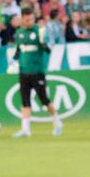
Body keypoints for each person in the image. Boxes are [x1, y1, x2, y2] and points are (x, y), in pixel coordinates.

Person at [10, 8, 62, 138]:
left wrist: (43, 43)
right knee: (25, 101)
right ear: (22, 19)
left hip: (37, 72)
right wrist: (13, 63)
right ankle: (25, 130)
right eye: (27, 20)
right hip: (23, 72)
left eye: (32, 19)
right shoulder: (19, 33)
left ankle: (57, 122)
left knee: (44, 100)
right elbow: (17, 52)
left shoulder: (40, 31)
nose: (30, 22)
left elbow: (49, 50)